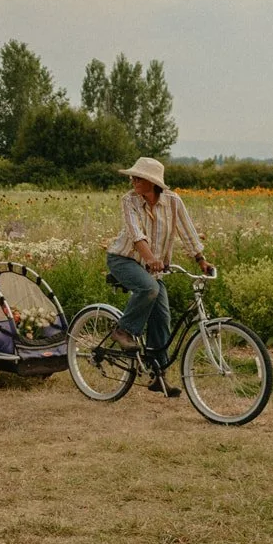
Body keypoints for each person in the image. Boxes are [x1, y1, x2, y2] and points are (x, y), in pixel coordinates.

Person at [105, 156, 213, 397]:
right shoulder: (129, 200)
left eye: (138, 177)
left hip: (153, 268)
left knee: (162, 318)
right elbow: (136, 235)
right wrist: (152, 258)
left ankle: (158, 376)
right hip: (124, 260)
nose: (133, 180)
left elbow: (187, 231)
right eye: (133, 176)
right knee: (149, 289)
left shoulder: (173, 202)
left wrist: (201, 260)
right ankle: (122, 330)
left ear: (152, 182)